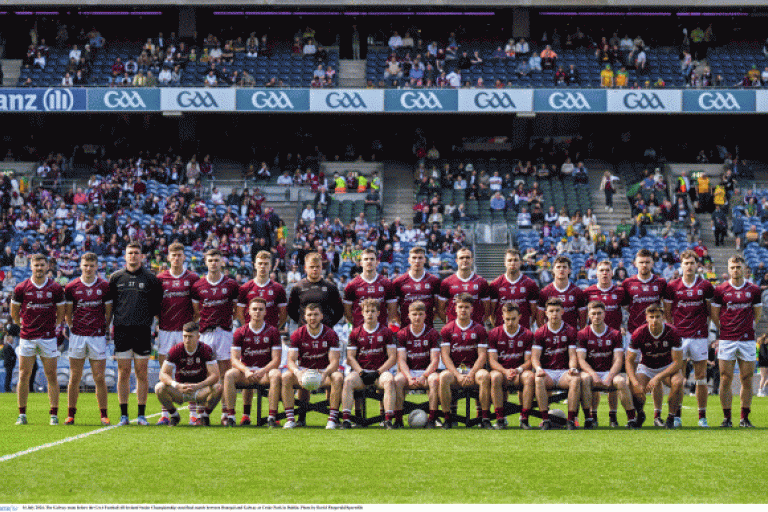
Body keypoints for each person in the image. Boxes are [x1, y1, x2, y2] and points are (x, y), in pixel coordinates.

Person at [108, 242, 162, 426]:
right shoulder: (115, 278)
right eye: (130, 252)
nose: (133, 256)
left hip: (143, 330)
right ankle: (124, 415)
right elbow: (111, 306)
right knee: (123, 372)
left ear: (141, 256)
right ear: (125, 256)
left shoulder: (151, 279)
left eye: (136, 253)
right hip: (122, 330)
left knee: (142, 373)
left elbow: (156, 307)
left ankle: (141, 414)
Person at [11, 255, 65, 425]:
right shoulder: (21, 288)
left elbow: (61, 313)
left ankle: (54, 415)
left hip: (48, 338)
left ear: (47, 266)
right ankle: (22, 414)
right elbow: (14, 313)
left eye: (42, 265)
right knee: (24, 374)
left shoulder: (55, 288)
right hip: (27, 337)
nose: (39, 268)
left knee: (51, 375)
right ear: (31, 266)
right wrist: (23, 325)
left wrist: (51, 327)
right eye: (36, 265)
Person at [235, 250, 287, 425]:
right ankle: (246, 415)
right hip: (249, 337)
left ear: (271, 265)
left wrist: (271, 330)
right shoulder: (245, 288)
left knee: (273, 374)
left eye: (266, 263)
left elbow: (283, 314)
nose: (263, 267)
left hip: (270, 339)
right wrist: (249, 329)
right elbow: (240, 313)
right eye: (260, 263)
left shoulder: (278, 289)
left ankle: (274, 415)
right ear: (254, 265)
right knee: (248, 370)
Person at [663, 250, 715, 427]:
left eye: (692, 263)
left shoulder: (706, 286)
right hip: (679, 337)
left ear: (697, 264)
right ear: (681, 265)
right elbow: (668, 314)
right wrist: (675, 333)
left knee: (701, 376)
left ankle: (702, 417)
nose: (689, 266)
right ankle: (677, 416)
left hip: (699, 336)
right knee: (679, 378)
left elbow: (709, 311)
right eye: (686, 263)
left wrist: (703, 329)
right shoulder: (672, 287)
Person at [711, 256, 762, 428]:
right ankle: (727, 418)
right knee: (725, 378)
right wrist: (726, 330)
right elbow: (715, 316)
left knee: (746, 378)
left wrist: (747, 328)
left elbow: (758, 314)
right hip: (727, 340)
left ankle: (744, 418)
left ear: (745, 268)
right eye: (732, 267)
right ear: (728, 268)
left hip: (747, 340)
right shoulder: (720, 290)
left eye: (738, 267)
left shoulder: (754, 290)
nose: (735, 270)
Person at [191, 249, 240, 424]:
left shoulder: (231, 285)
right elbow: (197, 312)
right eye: (210, 260)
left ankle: (226, 413)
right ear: (205, 262)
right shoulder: (198, 286)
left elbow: (236, 310)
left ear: (222, 262)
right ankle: (202, 413)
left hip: (225, 332)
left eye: (216, 260)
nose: (213, 263)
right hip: (205, 334)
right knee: (205, 375)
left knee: (226, 374)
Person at [63, 253, 112, 426]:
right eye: (85, 265)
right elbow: (68, 314)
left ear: (97, 266)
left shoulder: (105, 286)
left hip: (97, 336)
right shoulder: (71, 287)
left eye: (91, 265)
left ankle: (104, 415)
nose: (88, 268)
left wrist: (101, 329)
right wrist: (73, 328)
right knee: (74, 377)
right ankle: (70, 415)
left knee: (99, 377)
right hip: (77, 336)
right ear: (80, 266)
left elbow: (108, 313)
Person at [155, 242, 199, 425]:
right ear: (168, 257)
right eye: (173, 255)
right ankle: (166, 413)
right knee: (165, 372)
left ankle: (193, 414)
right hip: (165, 331)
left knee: (190, 372)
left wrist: (189, 327)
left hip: (185, 332)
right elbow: (156, 306)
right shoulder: (160, 279)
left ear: (184, 257)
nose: (176, 258)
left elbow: (197, 309)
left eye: (180, 255)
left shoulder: (193, 278)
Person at [222, 298, 282, 428]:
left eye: (261, 309)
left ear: (265, 312)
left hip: (264, 373)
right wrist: (247, 370)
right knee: (229, 375)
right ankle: (231, 416)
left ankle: (272, 417)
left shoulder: (273, 331)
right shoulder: (240, 332)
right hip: (246, 373)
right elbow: (234, 359)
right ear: (248, 311)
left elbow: (276, 359)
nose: (257, 312)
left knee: (276, 374)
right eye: (254, 309)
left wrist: (263, 371)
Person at [281, 304, 343, 429]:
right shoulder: (297, 334)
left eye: (315, 314)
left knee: (337, 376)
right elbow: (291, 360)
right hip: (304, 371)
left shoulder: (330, 334)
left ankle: (332, 419)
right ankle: (291, 419)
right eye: (309, 314)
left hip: (324, 372)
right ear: (304, 317)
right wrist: (298, 373)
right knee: (286, 376)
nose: (312, 317)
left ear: (321, 316)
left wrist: (325, 373)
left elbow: (335, 362)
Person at [577, 301, 636, 428]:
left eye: (599, 313)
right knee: (585, 379)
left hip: (609, 372)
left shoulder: (615, 334)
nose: (596, 316)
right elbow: (581, 360)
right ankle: (589, 418)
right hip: (590, 372)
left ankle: (631, 419)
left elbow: (618, 360)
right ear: (589, 315)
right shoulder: (582, 334)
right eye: (593, 314)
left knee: (621, 381)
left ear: (605, 314)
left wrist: (609, 377)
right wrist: (593, 375)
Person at [340, 299, 398, 429]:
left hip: (379, 373)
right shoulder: (355, 332)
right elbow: (350, 358)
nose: (370, 314)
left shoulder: (386, 332)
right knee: (348, 381)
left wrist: (378, 372)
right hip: (361, 373)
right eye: (367, 311)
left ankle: (388, 420)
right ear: (362, 313)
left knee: (389, 381)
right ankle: (346, 420)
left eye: (372, 311)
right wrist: (361, 372)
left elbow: (393, 357)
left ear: (378, 313)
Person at [626, 303, 685, 429]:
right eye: (651, 317)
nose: (654, 320)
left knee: (678, 381)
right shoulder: (638, 333)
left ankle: (671, 418)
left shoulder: (673, 332)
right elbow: (629, 361)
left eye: (657, 317)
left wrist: (658, 377)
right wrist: (634, 381)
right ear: (646, 318)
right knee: (631, 383)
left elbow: (678, 362)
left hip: (667, 366)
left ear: (663, 317)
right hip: (647, 367)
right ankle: (640, 414)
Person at [584, 260, 628, 424]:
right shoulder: (588, 292)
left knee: (613, 380)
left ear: (611, 273)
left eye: (607, 270)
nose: (604, 273)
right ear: (596, 273)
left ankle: (612, 416)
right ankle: (593, 415)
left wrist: (623, 327)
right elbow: (583, 316)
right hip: (593, 342)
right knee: (594, 381)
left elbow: (627, 311)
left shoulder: (620, 292)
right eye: (601, 270)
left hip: (614, 342)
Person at [154, 322, 222, 426]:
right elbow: (163, 374)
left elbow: (215, 375)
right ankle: (174, 415)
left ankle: (204, 416)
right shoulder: (175, 350)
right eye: (185, 336)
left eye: (190, 337)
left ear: (198, 337)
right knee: (159, 387)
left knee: (218, 388)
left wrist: (198, 385)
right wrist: (177, 385)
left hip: (199, 390)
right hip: (181, 390)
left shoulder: (206, 349)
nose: (187, 340)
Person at [439, 294, 491, 429]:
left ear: (472, 309)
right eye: (460, 307)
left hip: (474, 370)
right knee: (444, 377)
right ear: (455, 309)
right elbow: (445, 356)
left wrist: (471, 373)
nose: (463, 310)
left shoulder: (479, 329)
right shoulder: (447, 329)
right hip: (456, 370)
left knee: (485, 376)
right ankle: (447, 418)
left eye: (466, 307)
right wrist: (457, 374)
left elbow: (482, 355)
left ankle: (484, 418)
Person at [531, 298, 582, 430]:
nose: (554, 314)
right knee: (538, 379)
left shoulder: (570, 330)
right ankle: (545, 419)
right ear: (546, 313)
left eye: (557, 310)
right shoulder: (540, 332)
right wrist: (538, 369)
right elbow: (535, 357)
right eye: (551, 311)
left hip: (563, 372)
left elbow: (572, 355)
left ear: (562, 312)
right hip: (547, 371)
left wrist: (572, 368)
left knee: (575, 379)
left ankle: (571, 420)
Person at [393, 301, 441, 428]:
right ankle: (398, 420)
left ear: (425, 315)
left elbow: (435, 360)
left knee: (435, 380)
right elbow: (401, 360)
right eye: (414, 314)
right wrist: (409, 377)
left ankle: (432, 419)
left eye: (420, 314)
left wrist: (424, 376)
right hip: (408, 372)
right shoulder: (402, 334)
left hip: (426, 371)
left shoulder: (433, 334)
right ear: (408, 315)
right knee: (397, 380)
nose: (417, 317)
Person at [488, 303, 535, 430]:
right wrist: (504, 371)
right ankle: (500, 419)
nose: (510, 322)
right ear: (502, 316)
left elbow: (529, 361)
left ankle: (524, 418)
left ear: (519, 317)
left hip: (519, 371)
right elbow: (492, 361)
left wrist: (518, 370)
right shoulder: (494, 333)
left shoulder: (527, 334)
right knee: (495, 377)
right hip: (501, 371)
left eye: (513, 319)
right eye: (507, 319)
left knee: (530, 377)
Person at [343, 248, 397, 329]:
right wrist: (356, 325)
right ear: (361, 263)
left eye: (372, 259)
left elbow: (392, 310)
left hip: (381, 331)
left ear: (377, 262)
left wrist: (386, 327)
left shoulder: (387, 283)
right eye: (366, 259)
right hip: (360, 332)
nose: (369, 261)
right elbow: (347, 312)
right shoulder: (352, 284)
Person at [623, 249, 668, 347]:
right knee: (631, 361)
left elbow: (666, 306)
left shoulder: (661, 282)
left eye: (647, 262)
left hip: (656, 331)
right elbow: (626, 307)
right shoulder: (627, 283)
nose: (644, 265)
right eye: (641, 262)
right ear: (635, 264)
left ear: (652, 263)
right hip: (633, 331)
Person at [287, 252, 344, 328]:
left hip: (326, 334)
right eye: (311, 267)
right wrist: (303, 323)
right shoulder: (297, 287)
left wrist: (328, 324)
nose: (315, 269)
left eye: (318, 266)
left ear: (321, 267)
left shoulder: (331, 287)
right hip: (305, 333)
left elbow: (339, 311)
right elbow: (291, 311)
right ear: (305, 268)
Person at [392, 246, 442, 330]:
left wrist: (428, 319)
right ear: (409, 260)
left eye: (420, 258)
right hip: (406, 330)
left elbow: (438, 308)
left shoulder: (434, 281)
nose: (417, 261)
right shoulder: (398, 282)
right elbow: (393, 309)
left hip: (428, 330)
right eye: (414, 258)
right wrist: (401, 321)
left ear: (425, 260)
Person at [438, 248, 491, 327]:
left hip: (476, 329)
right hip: (454, 330)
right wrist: (450, 325)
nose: (465, 260)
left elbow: (487, 310)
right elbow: (441, 309)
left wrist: (478, 323)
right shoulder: (447, 282)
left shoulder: (482, 282)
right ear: (456, 261)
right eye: (461, 258)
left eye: (467, 257)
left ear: (472, 260)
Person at [489, 249, 539, 330]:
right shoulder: (495, 284)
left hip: (523, 331)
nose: (512, 263)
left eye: (516, 260)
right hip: (501, 331)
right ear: (504, 263)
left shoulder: (530, 284)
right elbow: (492, 312)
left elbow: (533, 313)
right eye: (509, 260)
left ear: (521, 262)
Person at [538, 255, 588, 329]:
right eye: (558, 267)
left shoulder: (577, 292)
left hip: (572, 337)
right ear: (553, 270)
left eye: (564, 267)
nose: (561, 269)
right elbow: (540, 319)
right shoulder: (545, 292)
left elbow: (583, 319)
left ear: (569, 270)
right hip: (550, 337)